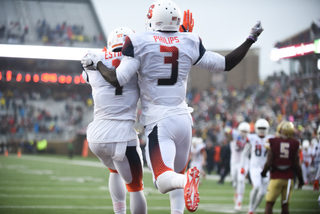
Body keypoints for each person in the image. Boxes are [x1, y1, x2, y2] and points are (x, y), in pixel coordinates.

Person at [81, 0, 263, 212]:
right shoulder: (189, 40)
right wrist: (250, 39)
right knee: (176, 173)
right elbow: (226, 63)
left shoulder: (139, 41)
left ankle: (188, 182)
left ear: (153, 20)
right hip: (184, 120)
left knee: (164, 180)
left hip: (160, 121)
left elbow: (119, 78)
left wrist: (98, 64)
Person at [82, 27, 147, 214]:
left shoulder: (95, 60)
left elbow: (86, 71)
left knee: (115, 171)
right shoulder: (136, 63)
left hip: (96, 137)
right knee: (136, 188)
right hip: (121, 136)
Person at [261, 121, 304, 214]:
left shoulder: (272, 141)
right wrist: (301, 180)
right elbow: (297, 164)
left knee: (269, 204)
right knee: (285, 206)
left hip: (276, 177)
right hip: (289, 179)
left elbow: (269, 161)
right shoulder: (295, 143)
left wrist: (264, 172)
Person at [240, 118, 273, 214]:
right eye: (260, 128)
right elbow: (244, 153)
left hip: (266, 168)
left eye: (264, 128)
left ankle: (253, 209)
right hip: (254, 166)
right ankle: (250, 209)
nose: (262, 130)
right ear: (256, 128)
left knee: (263, 192)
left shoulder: (271, 139)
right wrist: (242, 166)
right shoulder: (252, 138)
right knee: (257, 186)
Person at [228, 122, 251, 211]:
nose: (244, 133)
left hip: (244, 162)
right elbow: (228, 133)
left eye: (246, 131)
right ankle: (236, 193)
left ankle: (239, 202)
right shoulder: (235, 135)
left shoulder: (250, 138)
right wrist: (225, 125)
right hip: (234, 161)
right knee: (234, 181)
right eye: (242, 131)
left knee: (241, 180)